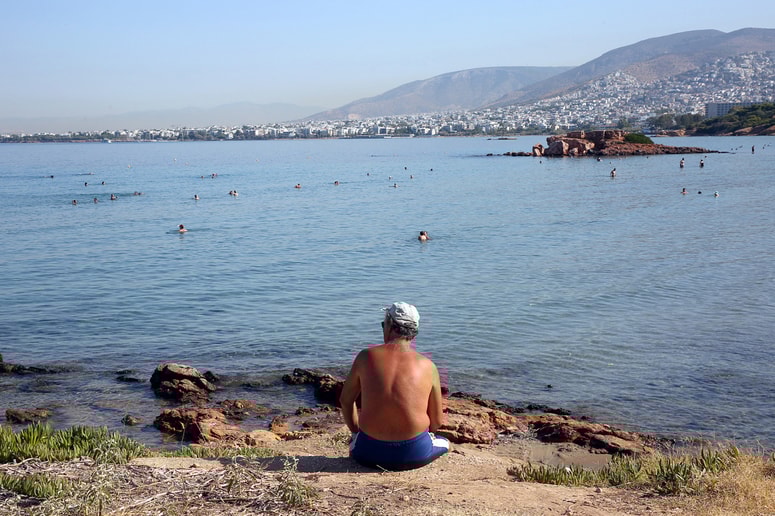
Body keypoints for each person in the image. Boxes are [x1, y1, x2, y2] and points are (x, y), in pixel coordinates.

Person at [340, 302, 449, 471]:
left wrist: (355, 433)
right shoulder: (428, 366)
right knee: (445, 443)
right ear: (413, 334)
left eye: (383, 324)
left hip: (367, 453)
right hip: (414, 454)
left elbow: (346, 401)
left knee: (357, 443)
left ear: (390, 326)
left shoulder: (365, 357)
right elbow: (437, 421)